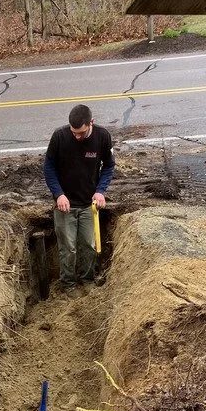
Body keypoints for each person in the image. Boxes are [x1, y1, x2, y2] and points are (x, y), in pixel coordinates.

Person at [44, 104, 115, 293]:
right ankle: (68, 285)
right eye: (73, 132)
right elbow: (49, 168)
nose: (76, 136)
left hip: (88, 204)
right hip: (64, 204)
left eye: (81, 133)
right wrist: (59, 194)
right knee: (68, 248)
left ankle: (87, 280)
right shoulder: (59, 136)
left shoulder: (102, 137)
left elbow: (108, 166)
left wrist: (100, 191)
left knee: (89, 245)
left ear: (91, 123)